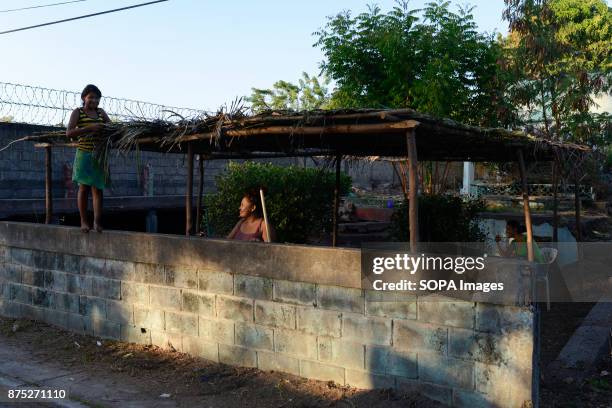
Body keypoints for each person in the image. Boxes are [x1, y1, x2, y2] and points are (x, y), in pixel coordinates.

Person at [66, 84, 111, 233]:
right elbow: (69, 133)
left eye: (97, 98)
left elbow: (111, 128)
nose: (94, 100)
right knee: (84, 188)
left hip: (99, 155)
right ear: (84, 98)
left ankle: (97, 222)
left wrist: (106, 129)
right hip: (84, 154)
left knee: (98, 189)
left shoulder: (101, 113)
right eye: (91, 97)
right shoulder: (78, 112)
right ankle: (84, 222)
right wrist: (89, 128)